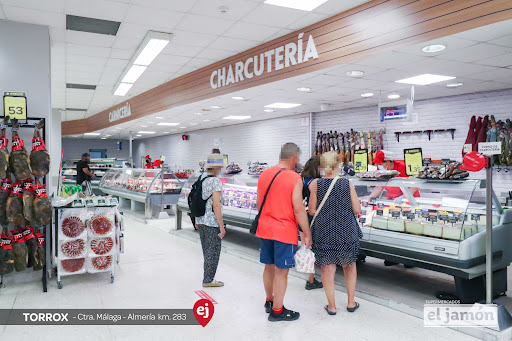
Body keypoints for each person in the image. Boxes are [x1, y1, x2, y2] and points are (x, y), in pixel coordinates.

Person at [256, 142, 312, 322]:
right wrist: (306, 232)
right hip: (283, 230)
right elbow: (298, 209)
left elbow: (259, 203)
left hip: (264, 228)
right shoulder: (294, 178)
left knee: (268, 266)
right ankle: (278, 311)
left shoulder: (264, 174)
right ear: (294, 158)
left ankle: (269, 301)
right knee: (282, 271)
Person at [309, 151, 362, 315]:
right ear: (338, 165)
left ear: (323, 166)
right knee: (349, 265)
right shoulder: (346, 184)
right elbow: (357, 209)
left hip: (324, 231)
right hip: (346, 230)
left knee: (327, 269)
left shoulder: (316, 184)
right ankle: (351, 302)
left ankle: (331, 306)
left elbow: (311, 211)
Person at [369, 150, 418, 267]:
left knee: (406, 230)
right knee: (391, 228)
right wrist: (370, 197)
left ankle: (409, 259)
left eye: (381, 163)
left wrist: (403, 197)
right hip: (391, 201)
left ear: (389, 161)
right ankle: (392, 256)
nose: (379, 166)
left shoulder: (402, 167)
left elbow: (414, 185)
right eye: (378, 164)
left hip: (407, 201)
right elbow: (379, 187)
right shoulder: (381, 170)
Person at [196, 153, 227, 287]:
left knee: (206, 251)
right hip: (212, 222)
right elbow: (216, 205)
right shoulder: (215, 181)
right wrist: (221, 226)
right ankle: (208, 280)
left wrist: (197, 219)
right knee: (213, 252)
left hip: (202, 220)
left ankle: (208, 277)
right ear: (217, 166)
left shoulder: (202, 177)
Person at [300, 156, 323, 290]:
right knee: (313, 250)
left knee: (307, 248)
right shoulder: (317, 182)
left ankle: (310, 278)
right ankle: (310, 280)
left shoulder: (301, 180)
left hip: (301, 218)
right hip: (313, 219)